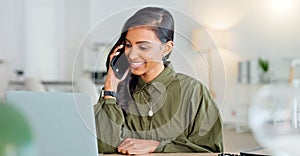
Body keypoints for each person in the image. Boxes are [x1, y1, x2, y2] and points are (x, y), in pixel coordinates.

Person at [94, 7, 223, 155]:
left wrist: (158, 146)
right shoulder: (116, 91)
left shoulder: (194, 91)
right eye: (128, 45)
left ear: (166, 48)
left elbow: (211, 150)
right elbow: (103, 146)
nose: (132, 55)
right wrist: (110, 84)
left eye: (143, 47)